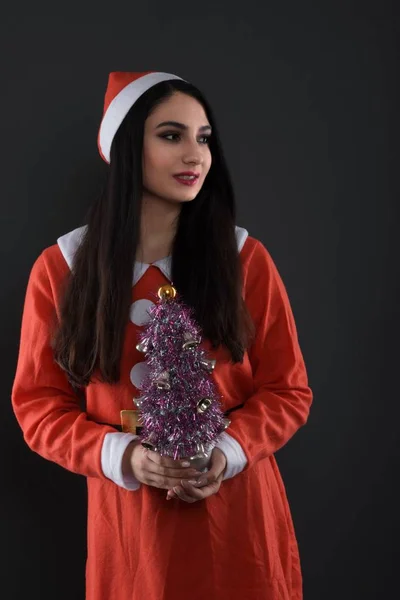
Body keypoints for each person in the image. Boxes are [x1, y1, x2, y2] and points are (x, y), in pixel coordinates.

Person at [11, 70, 313, 600]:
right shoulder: (62, 269)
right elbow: (38, 406)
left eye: (203, 138)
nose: (195, 155)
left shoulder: (245, 260)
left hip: (239, 524)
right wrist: (122, 455)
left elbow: (288, 391)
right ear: (128, 147)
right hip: (131, 536)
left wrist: (227, 452)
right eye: (171, 135)